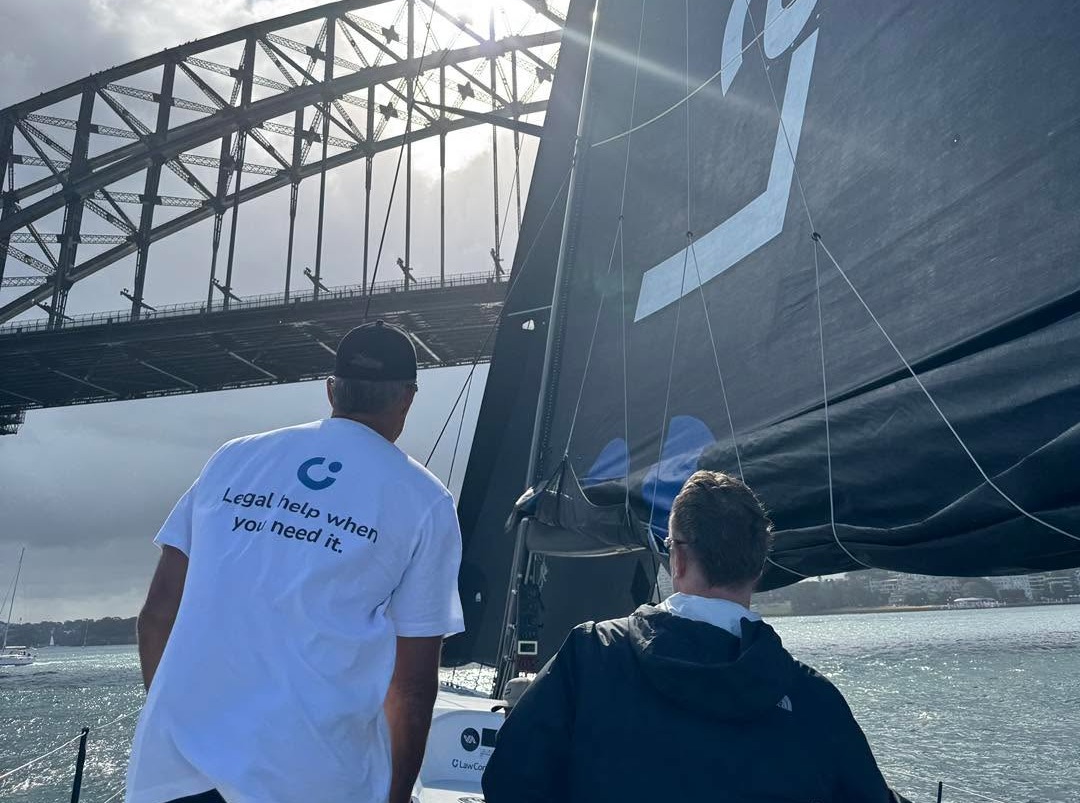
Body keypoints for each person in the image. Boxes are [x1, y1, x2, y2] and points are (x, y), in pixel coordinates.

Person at [127, 321, 463, 803]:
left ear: (331, 391)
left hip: (171, 777)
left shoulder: (233, 458)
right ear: (407, 399)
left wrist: (176, 723)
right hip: (311, 782)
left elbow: (156, 615)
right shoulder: (425, 501)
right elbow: (409, 687)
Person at [483, 470, 907, 803]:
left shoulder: (590, 654)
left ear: (678, 558)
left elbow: (509, 782)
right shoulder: (814, 701)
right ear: (759, 568)